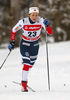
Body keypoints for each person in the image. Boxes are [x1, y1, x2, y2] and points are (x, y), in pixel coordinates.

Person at [8, 6, 53, 92]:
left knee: (30, 65)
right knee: (27, 63)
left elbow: (50, 32)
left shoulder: (41, 21)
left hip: (35, 45)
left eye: (36, 15)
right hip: (25, 44)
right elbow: (14, 30)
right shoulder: (24, 21)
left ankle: (25, 74)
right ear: (29, 14)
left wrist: (47, 25)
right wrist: (12, 42)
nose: (34, 17)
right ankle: (24, 85)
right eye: (33, 15)